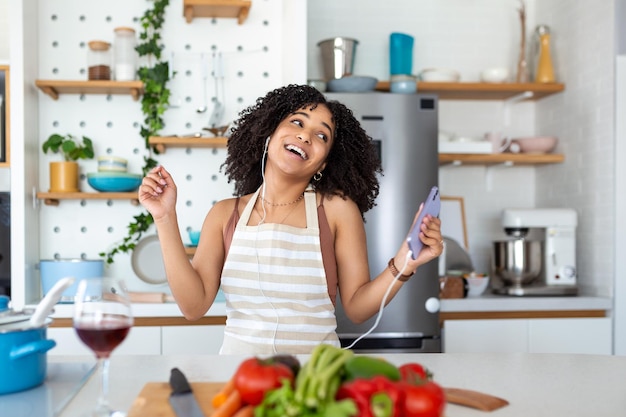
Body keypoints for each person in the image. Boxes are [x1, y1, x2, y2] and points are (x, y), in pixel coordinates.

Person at [138, 84, 443, 354]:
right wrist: (165, 217)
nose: (305, 135)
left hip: (314, 383)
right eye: (297, 121)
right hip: (242, 379)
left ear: (324, 162)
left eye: (321, 135)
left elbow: (357, 307)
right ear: (269, 136)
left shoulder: (336, 210)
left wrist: (405, 263)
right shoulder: (224, 214)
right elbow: (193, 306)